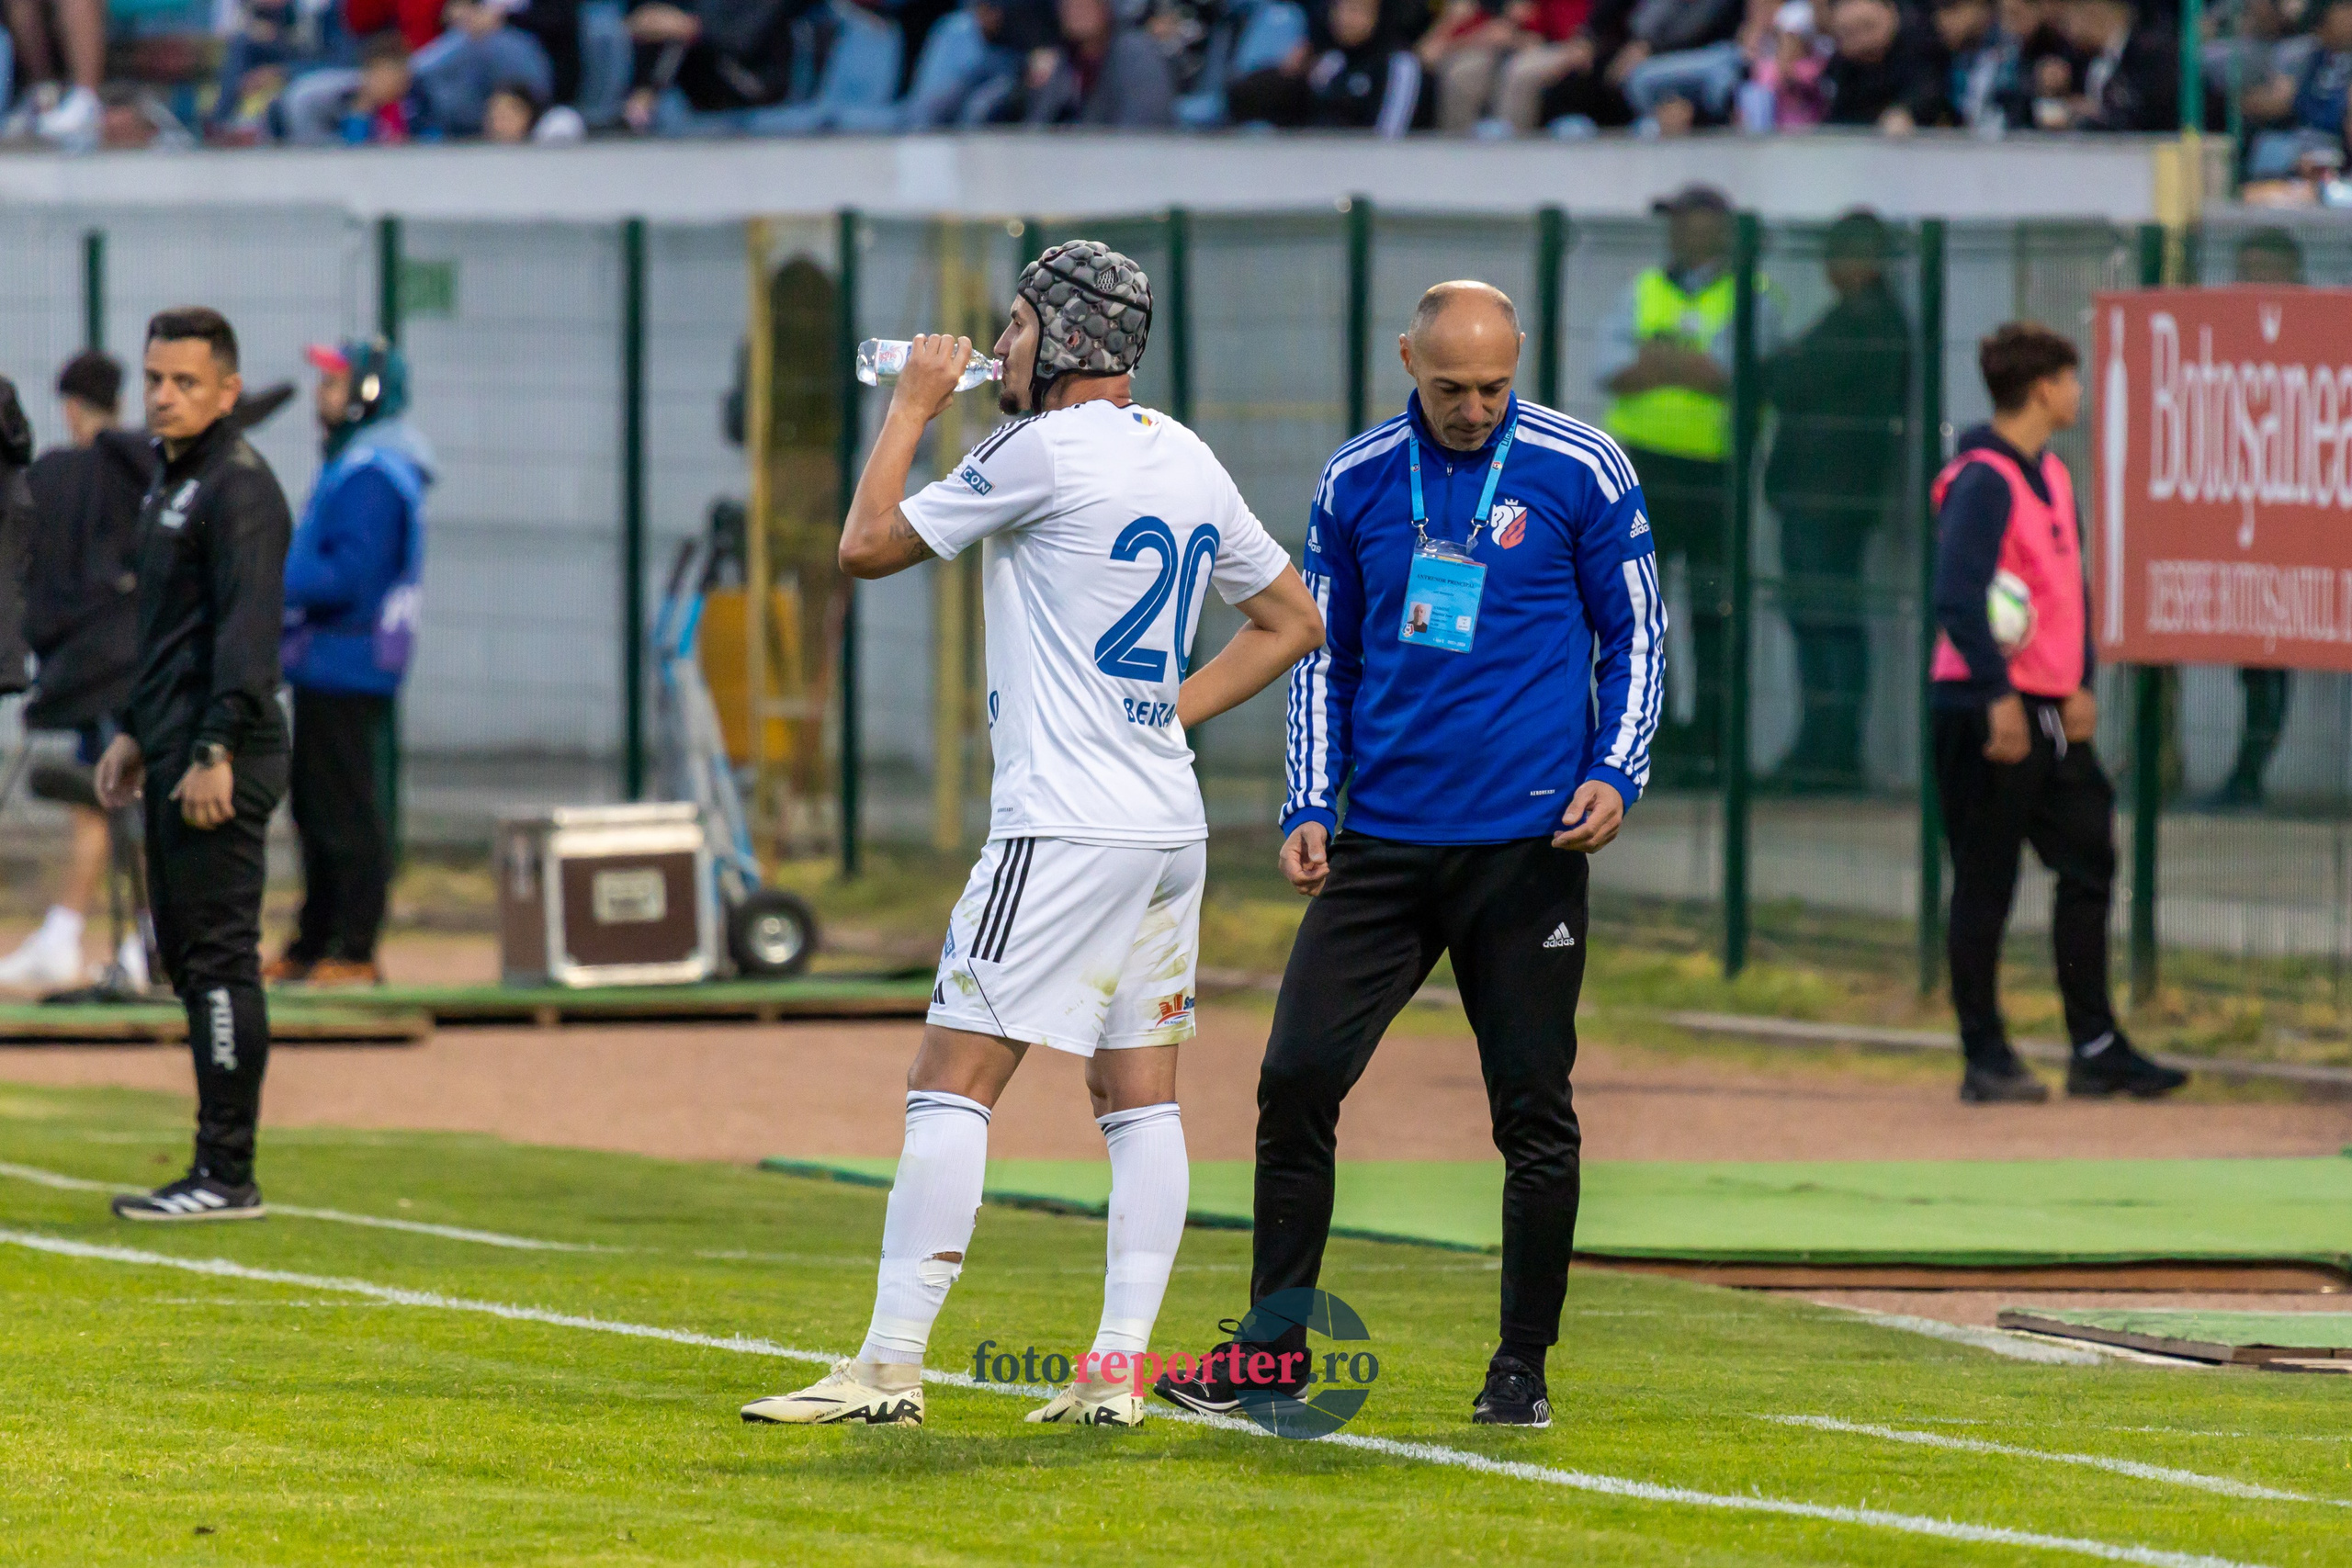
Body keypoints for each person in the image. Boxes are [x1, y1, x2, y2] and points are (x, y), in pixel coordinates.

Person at [739, 242, 1324, 1428]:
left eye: (1010, 327)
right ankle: (1114, 1373)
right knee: (1137, 1095)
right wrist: (1166, 712)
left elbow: (863, 547)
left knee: (950, 1078)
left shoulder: (1035, 448)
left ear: (1060, 338)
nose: (995, 348)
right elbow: (1291, 617)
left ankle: (887, 1366)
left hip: (1063, 823)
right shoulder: (1185, 453)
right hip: (1165, 822)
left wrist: (907, 409)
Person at [1158, 279, 1663, 1429]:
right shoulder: (1355, 477)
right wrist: (1306, 803)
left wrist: (1615, 769)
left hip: (1526, 845)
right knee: (1293, 1081)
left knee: (1531, 1109)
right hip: (1382, 844)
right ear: (1407, 361)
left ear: (1516, 362)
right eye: (1449, 387)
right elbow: (1321, 653)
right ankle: (1271, 1356)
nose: (1474, 408)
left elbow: (1638, 629)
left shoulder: (1585, 468)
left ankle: (1520, 1368)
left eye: (1492, 385)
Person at [1930, 322, 2186, 1104]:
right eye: (2072, 381)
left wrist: (2078, 680)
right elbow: (1957, 597)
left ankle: (2096, 1044)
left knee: (2089, 857)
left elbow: (2067, 591)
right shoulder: (1983, 479)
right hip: (1987, 709)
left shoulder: (2054, 477)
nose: (2079, 393)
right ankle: (1986, 1055)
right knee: (1986, 880)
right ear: (2043, 388)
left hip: (2050, 708)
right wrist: (1998, 695)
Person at [95, 308, 296, 1221]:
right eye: (153, 379)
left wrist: (216, 745)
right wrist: (139, 730)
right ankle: (215, 1164)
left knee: (218, 959)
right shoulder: (170, 482)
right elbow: (171, 633)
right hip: (174, 749)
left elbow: (247, 637)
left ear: (226, 392)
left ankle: (226, 1174)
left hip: (223, 754)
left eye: (183, 382)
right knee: (186, 957)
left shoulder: (240, 490)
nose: (163, 396)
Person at [265, 340, 432, 990]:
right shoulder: (354, 463)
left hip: (349, 660)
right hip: (321, 660)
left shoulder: (373, 472)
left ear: (368, 393)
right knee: (312, 803)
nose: (321, 394)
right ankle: (314, 939)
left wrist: (271, 574)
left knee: (344, 808)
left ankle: (355, 945)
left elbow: (350, 575)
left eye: (335, 383)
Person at [1597, 182, 1776, 788]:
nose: (1678, 231)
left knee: (1713, 611)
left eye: (1689, 220)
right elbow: (1611, 369)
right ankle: (1656, 743)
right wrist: (1687, 366)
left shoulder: (1752, 295)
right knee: (1643, 610)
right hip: (1642, 469)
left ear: (1719, 228)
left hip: (1716, 472)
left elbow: (1732, 374)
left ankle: (1714, 747)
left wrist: (1659, 361)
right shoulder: (1644, 288)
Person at [0, 353, 154, 992]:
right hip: (134, 658)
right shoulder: (145, 466)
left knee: (129, 799)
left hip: (93, 668)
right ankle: (75, 932)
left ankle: (147, 939)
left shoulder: (58, 476)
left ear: (69, 405)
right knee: (107, 799)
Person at [1761, 209, 1909, 792]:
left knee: (1826, 622)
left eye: (1838, 254)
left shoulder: (1863, 324)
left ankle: (1830, 752)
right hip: (1830, 497)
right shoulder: (1868, 320)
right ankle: (1823, 745)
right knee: (1824, 620)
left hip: (1825, 499)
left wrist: (1782, 363)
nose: (1828, 267)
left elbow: (1785, 378)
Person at [1022, 0, 1178, 125]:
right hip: (1072, 159)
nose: (1076, 10)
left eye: (1087, 3)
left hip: (1124, 157)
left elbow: (1143, 127)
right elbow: (1037, 128)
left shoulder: (1136, 53)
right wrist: (1037, 87)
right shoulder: (1062, 60)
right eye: (1069, 4)